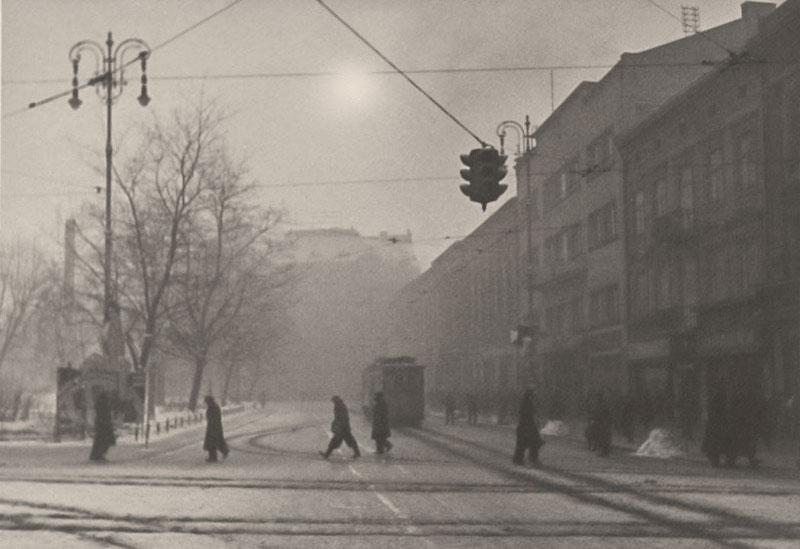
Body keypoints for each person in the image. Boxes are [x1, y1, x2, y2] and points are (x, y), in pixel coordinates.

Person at [513, 389, 544, 466]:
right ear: (531, 395)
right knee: (534, 443)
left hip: (524, 426)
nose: (534, 395)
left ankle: (519, 459)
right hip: (528, 426)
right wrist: (534, 423)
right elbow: (528, 415)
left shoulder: (526, 402)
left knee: (523, 444)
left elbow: (524, 415)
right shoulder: (528, 403)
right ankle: (532, 459)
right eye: (533, 394)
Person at [701, 390, 728, 468]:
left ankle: (714, 460)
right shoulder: (720, 405)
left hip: (713, 425)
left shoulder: (712, 404)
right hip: (716, 425)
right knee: (715, 442)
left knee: (713, 442)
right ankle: (714, 460)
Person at [89, 390, 116, 461]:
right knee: (105, 440)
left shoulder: (99, 404)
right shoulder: (104, 405)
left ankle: (96, 455)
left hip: (100, 424)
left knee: (99, 440)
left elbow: (96, 414)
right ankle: (99, 454)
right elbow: (106, 415)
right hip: (104, 424)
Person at [203, 395, 229, 462]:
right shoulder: (214, 406)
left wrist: (212, 425)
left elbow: (214, 418)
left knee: (212, 442)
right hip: (215, 427)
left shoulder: (213, 407)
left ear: (209, 401)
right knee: (216, 442)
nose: (206, 403)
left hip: (213, 427)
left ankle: (214, 457)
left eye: (206, 401)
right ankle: (220, 453)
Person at [586, 392, 612, 457]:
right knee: (604, 438)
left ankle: (604, 452)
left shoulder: (600, 405)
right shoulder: (604, 404)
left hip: (601, 424)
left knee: (602, 438)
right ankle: (605, 452)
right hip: (604, 424)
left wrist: (594, 419)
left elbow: (597, 414)